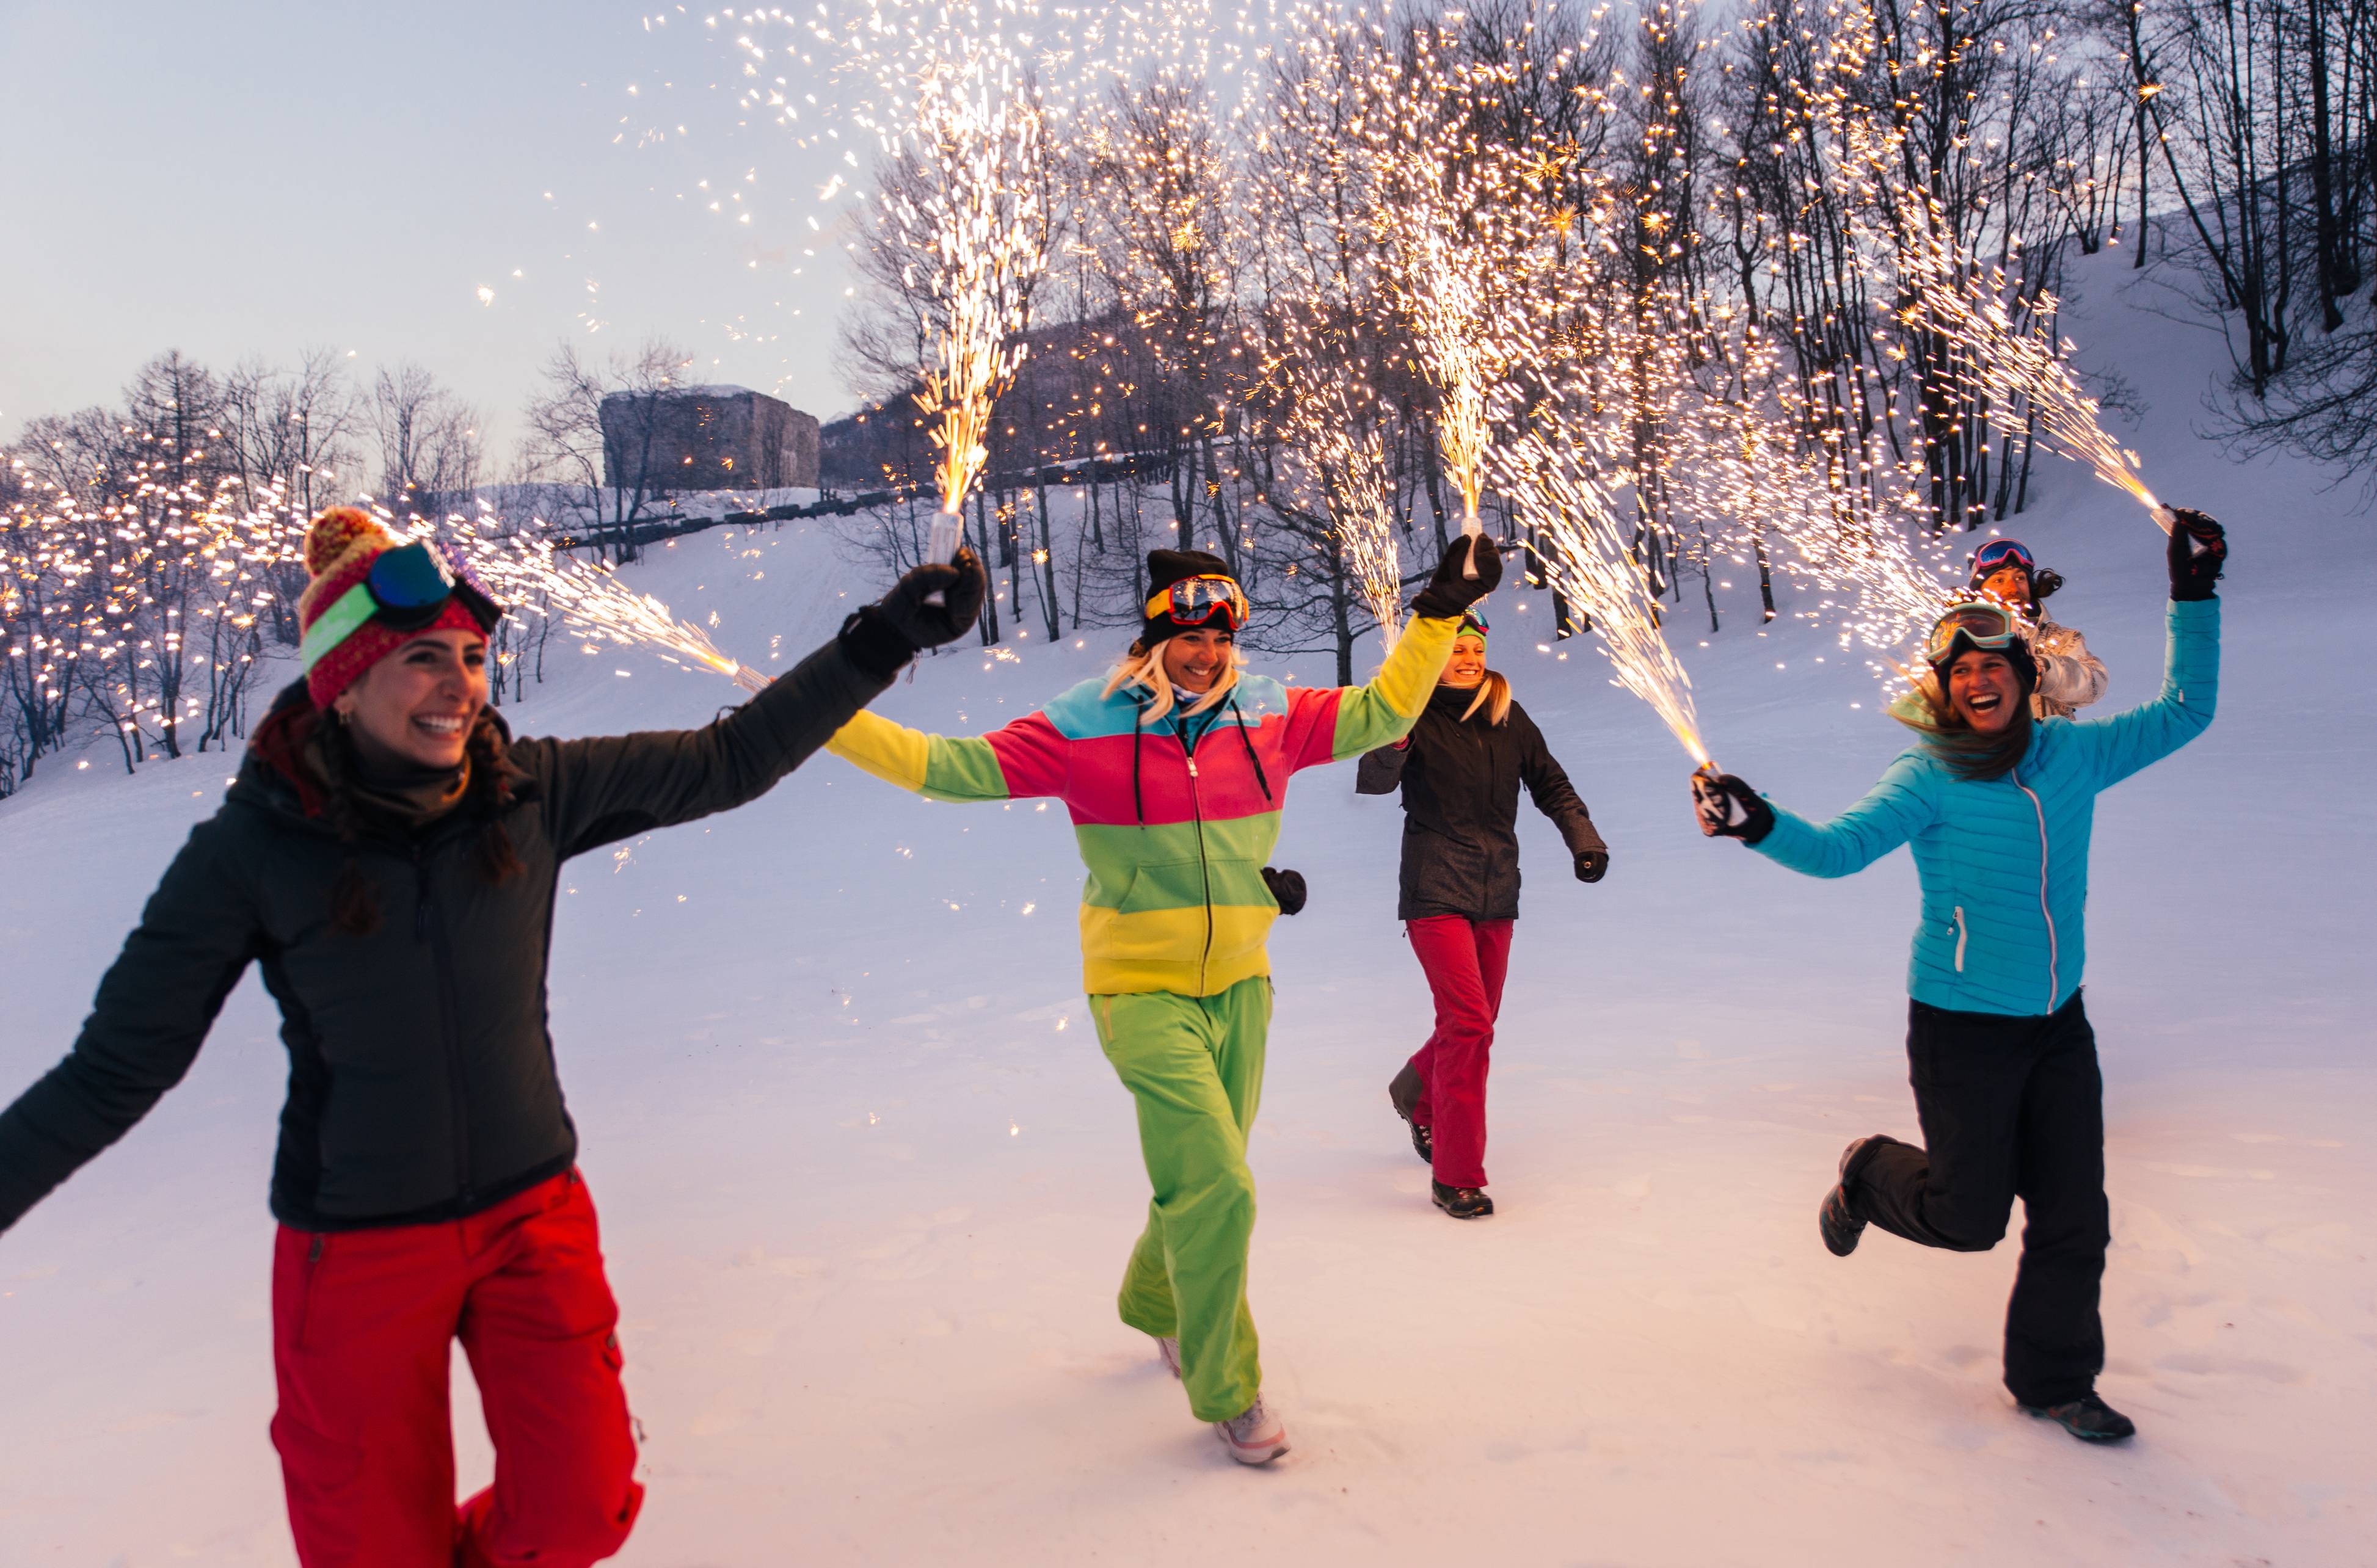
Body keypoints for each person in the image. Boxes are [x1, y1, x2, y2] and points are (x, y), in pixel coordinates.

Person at [0, 507, 986, 1566]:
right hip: (359, 1250)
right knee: (375, 1547)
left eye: (473, 658)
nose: (461, 686)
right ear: (344, 679)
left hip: (534, 1217)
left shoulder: (531, 792)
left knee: (580, 1505)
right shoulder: (252, 849)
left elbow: (728, 759)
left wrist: (882, 641)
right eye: (424, 660)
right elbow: (113, 1068)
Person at [823, 539, 1500, 1464]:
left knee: (1201, 1180)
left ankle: (1153, 1299)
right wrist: (818, 712)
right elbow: (948, 767)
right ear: (1152, 637)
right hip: (1139, 991)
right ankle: (1228, 1387)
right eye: (1186, 634)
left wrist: (1431, 620)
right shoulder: (1086, 723)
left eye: (1220, 635)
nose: (1205, 652)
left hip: (1242, 986)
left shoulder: (1272, 716)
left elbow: (1385, 709)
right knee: (1221, 1186)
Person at [1691, 509, 2226, 1444]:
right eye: (1963, 672)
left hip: (2061, 1023)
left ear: (2024, 678)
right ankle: (1866, 1173)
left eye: (1995, 667)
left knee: (2076, 1218)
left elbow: (2189, 709)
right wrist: (1758, 820)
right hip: (1963, 1027)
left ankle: (2055, 1381)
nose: (1980, 681)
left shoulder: (2075, 755)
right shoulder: (1929, 774)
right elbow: (1839, 851)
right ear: (1945, 689)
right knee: (1968, 1218)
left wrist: (2192, 593)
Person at [1357, 611, 1607, 1219]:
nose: (1468, 659)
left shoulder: (1506, 715)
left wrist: (1584, 840)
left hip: (1496, 892)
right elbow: (1371, 781)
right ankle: (1456, 1174)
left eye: (1474, 648)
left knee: (1476, 1021)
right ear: (1430, 660)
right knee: (1469, 1023)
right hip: (1434, 890)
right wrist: (1391, 739)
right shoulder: (1407, 712)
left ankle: (1416, 1092)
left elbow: (1551, 784)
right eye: (1454, 650)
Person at [1970, 537, 2106, 717]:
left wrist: (2041, 672)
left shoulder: (2060, 639)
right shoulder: (1957, 641)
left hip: (2056, 745)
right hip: (1988, 746)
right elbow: (1929, 707)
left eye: (2020, 578)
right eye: (1998, 581)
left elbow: (2093, 687)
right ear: (1979, 592)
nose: (2013, 588)